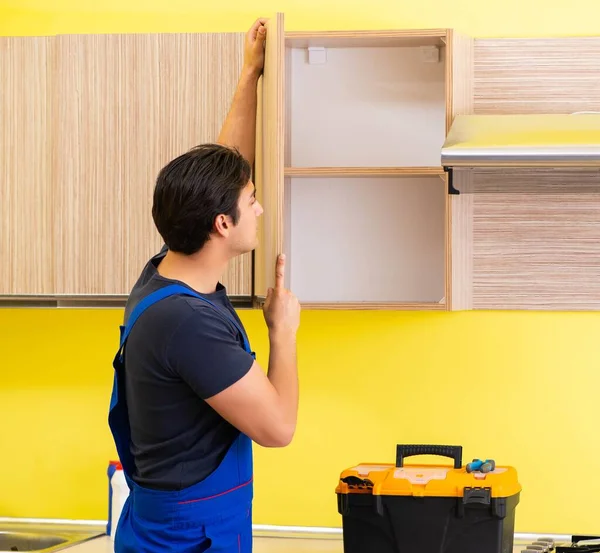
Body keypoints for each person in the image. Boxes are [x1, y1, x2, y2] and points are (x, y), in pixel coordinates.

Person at [108, 17, 301, 553]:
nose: (260, 209)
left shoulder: (169, 271)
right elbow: (278, 427)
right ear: (221, 224)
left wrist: (251, 74)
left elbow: (222, 176)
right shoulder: (188, 324)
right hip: (187, 540)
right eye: (253, 201)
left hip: (189, 529)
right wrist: (282, 331)